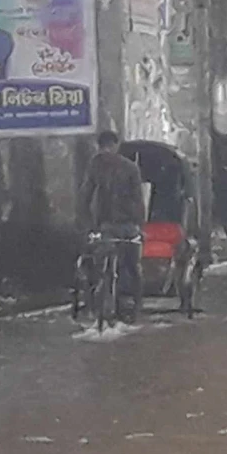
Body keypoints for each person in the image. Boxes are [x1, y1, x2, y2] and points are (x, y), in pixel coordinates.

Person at [78, 131, 146, 322]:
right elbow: (138, 201)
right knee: (131, 266)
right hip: (123, 225)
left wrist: (87, 224)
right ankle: (134, 304)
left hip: (106, 225)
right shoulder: (129, 167)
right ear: (116, 145)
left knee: (100, 263)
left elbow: (84, 197)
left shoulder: (95, 165)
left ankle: (94, 301)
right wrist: (140, 226)